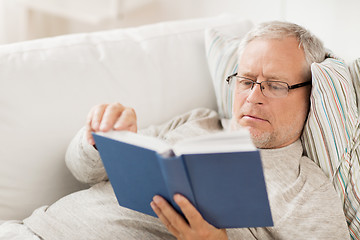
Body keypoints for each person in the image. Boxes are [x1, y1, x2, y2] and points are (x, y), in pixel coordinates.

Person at [0, 21, 350, 240]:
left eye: (274, 85)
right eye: (245, 81)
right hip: (28, 230)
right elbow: (81, 171)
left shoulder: (306, 191)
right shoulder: (198, 121)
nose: (252, 98)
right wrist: (97, 139)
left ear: (311, 92)